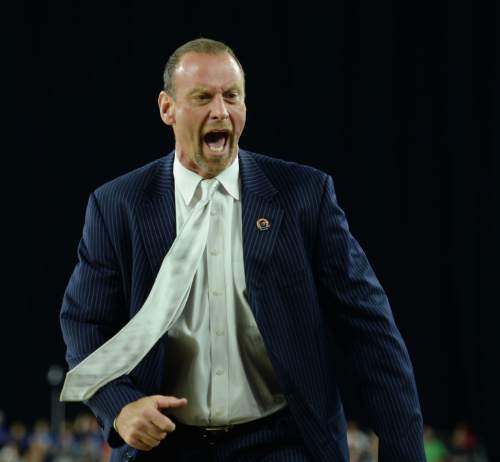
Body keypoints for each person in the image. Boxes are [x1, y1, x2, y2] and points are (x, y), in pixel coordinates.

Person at [60, 38, 426, 462]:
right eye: (202, 97)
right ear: (167, 108)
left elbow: (372, 335)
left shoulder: (304, 197)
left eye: (231, 96)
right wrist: (120, 406)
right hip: (166, 447)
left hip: (284, 443)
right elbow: (84, 323)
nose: (221, 111)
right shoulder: (116, 206)